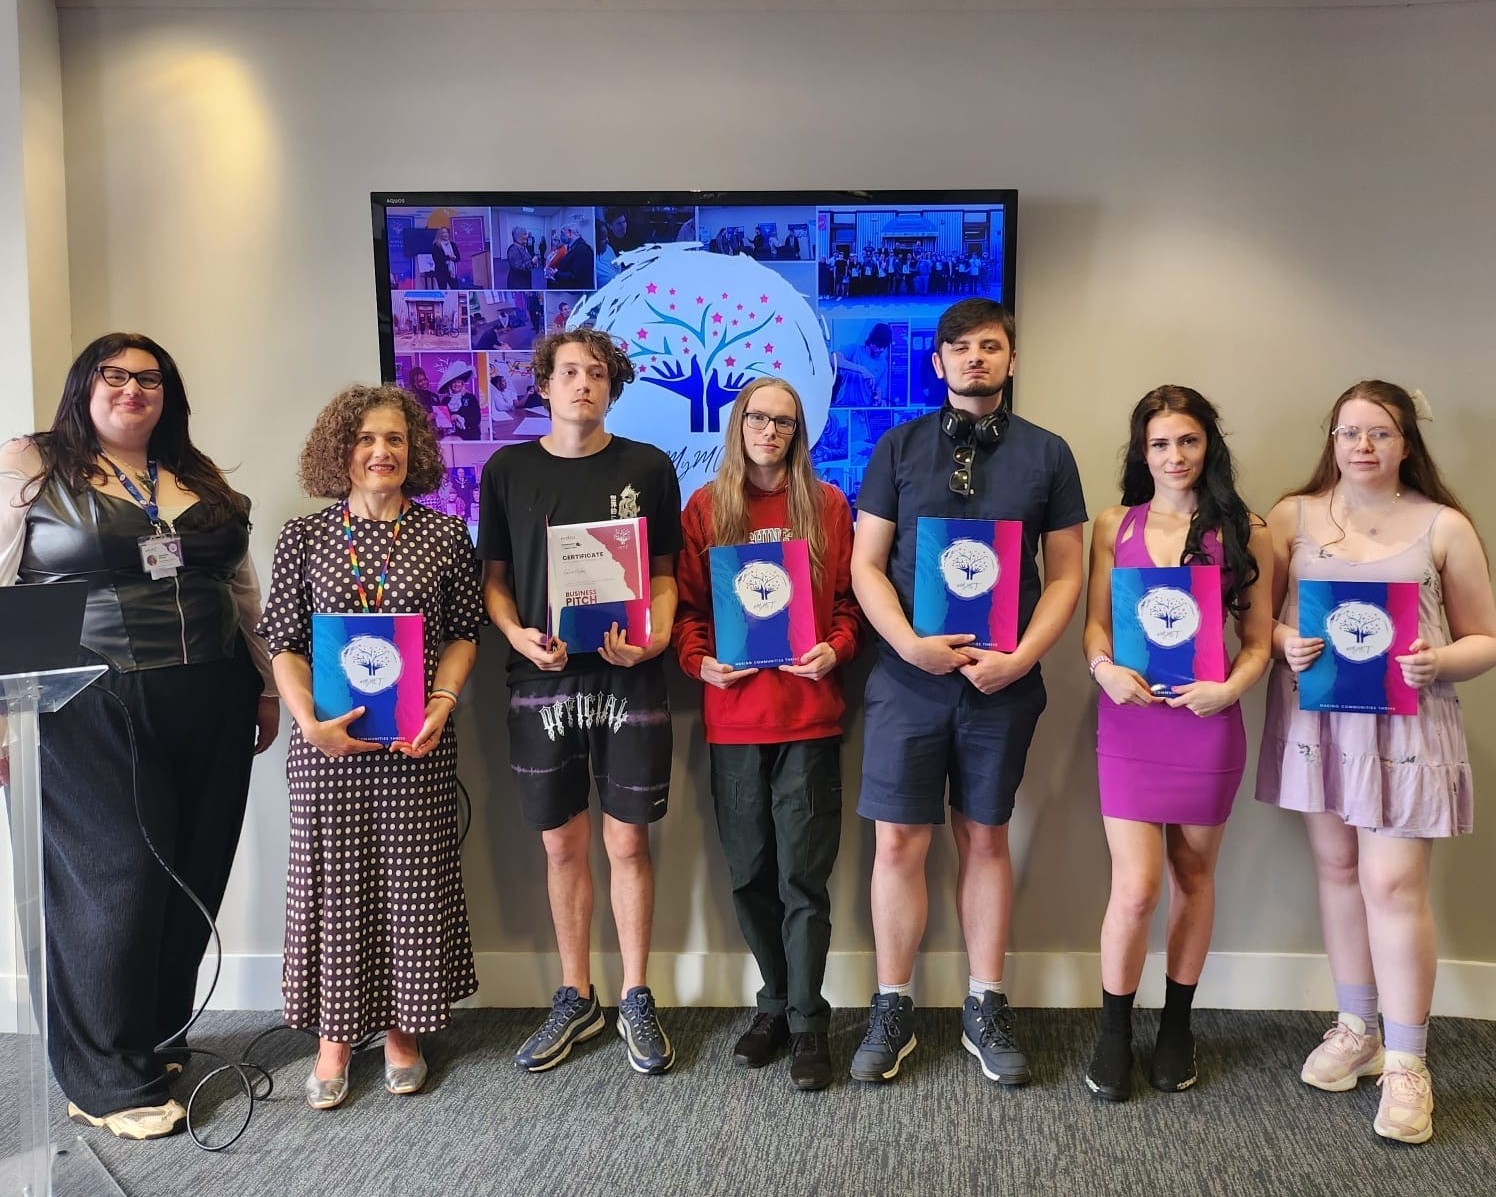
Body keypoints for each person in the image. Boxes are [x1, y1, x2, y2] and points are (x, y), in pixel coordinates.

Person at [0, 332, 279, 1139]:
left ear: (169, 395)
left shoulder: (197, 475)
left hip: (214, 694)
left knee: (190, 874)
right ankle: (102, 1079)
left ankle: (154, 1039)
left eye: (149, 379)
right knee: (113, 882)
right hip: (87, 705)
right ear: (84, 386)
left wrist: (263, 685)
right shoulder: (31, 465)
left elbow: (241, 588)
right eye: (114, 376)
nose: (132, 390)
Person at [848, 298, 1086, 1086]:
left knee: (986, 837)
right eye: (960, 347)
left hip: (1002, 683)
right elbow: (865, 564)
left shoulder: (1049, 453)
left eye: (990, 345)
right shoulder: (898, 446)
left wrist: (1022, 658)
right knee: (897, 843)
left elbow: (1068, 575)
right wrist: (907, 643)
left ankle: (985, 1002)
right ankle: (893, 1005)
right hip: (907, 680)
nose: (974, 357)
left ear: (1012, 359)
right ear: (938, 361)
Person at [1255, 380, 1496, 1144]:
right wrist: (1283, 642)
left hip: (1407, 730)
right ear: (1331, 439)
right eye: (1349, 431)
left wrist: (1440, 661)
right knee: (1337, 872)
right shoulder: (1292, 516)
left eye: (1380, 432)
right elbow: (1255, 620)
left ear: (1406, 443)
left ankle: (1408, 1061)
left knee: (1392, 884)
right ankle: (1357, 1027)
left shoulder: (1444, 525)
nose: (1362, 445)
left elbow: (1486, 638)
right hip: (1321, 724)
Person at [257, 383, 483, 1110]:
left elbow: (464, 634)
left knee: (411, 886)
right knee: (333, 887)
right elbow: (284, 644)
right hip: (327, 749)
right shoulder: (304, 536)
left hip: (417, 744)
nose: (381, 451)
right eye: (365, 440)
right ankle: (333, 1037)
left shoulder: (444, 536)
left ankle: (401, 1031)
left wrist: (442, 703)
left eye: (395, 439)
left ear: (414, 451)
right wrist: (307, 722)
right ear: (341, 452)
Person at [479, 327, 682, 1076]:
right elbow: (495, 580)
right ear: (543, 384)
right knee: (561, 845)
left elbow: (666, 575)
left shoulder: (648, 466)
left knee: (628, 842)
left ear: (612, 387)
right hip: (541, 680)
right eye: (568, 372)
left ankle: (635, 994)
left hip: (629, 676)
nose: (583, 384)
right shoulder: (507, 470)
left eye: (597, 373)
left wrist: (655, 640)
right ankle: (577, 995)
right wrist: (517, 635)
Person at [1079, 387, 1272, 1101]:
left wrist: (1229, 689)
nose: (1174, 456)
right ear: (1142, 451)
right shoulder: (1114, 524)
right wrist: (1103, 669)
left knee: (1193, 877)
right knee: (1135, 888)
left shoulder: (1247, 529)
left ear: (1208, 444)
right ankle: (1113, 1032)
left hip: (1207, 723)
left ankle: (1177, 1027)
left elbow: (1257, 640)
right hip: (1130, 721)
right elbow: (1096, 626)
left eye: (1187, 440)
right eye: (1159, 443)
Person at [672, 378, 862, 1091]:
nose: (770, 431)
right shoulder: (705, 508)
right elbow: (688, 612)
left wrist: (836, 650)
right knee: (750, 875)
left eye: (784, 421)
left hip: (808, 718)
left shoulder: (828, 505)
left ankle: (810, 1021)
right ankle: (774, 1006)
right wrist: (699, 661)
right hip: (733, 722)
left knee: (802, 880)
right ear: (738, 424)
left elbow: (849, 605)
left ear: (797, 432)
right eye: (758, 417)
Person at [833, 323, 893, 407]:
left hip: (864, 411)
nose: (881, 350)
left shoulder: (883, 363)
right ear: (872, 340)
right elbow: (833, 360)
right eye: (879, 346)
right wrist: (862, 369)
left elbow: (879, 389)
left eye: (884, 347)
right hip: (843, 407)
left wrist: (879, 400)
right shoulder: (854, 350)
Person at [545, 224, 595, 290]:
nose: (561, 237)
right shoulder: (574, 247)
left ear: (570, 233)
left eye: (562, 233)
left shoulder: (582, 249)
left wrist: (556, 273)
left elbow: (575, 277)